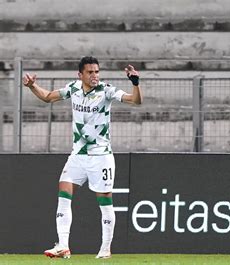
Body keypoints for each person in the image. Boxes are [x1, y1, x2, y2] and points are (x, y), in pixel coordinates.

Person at [22, 56, 143, 259]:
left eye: (97, 71)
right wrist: (33, 87)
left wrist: (135, 83)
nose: (94, 75)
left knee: (104, 200)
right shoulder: (74, 88)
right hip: (78, 155)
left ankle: (105, 248)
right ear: (80, 75)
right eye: (90, 72)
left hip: (101, 156)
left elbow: (136, 101)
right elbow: (48, 97)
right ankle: (62, 245)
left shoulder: (106, 90)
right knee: (64, 189)